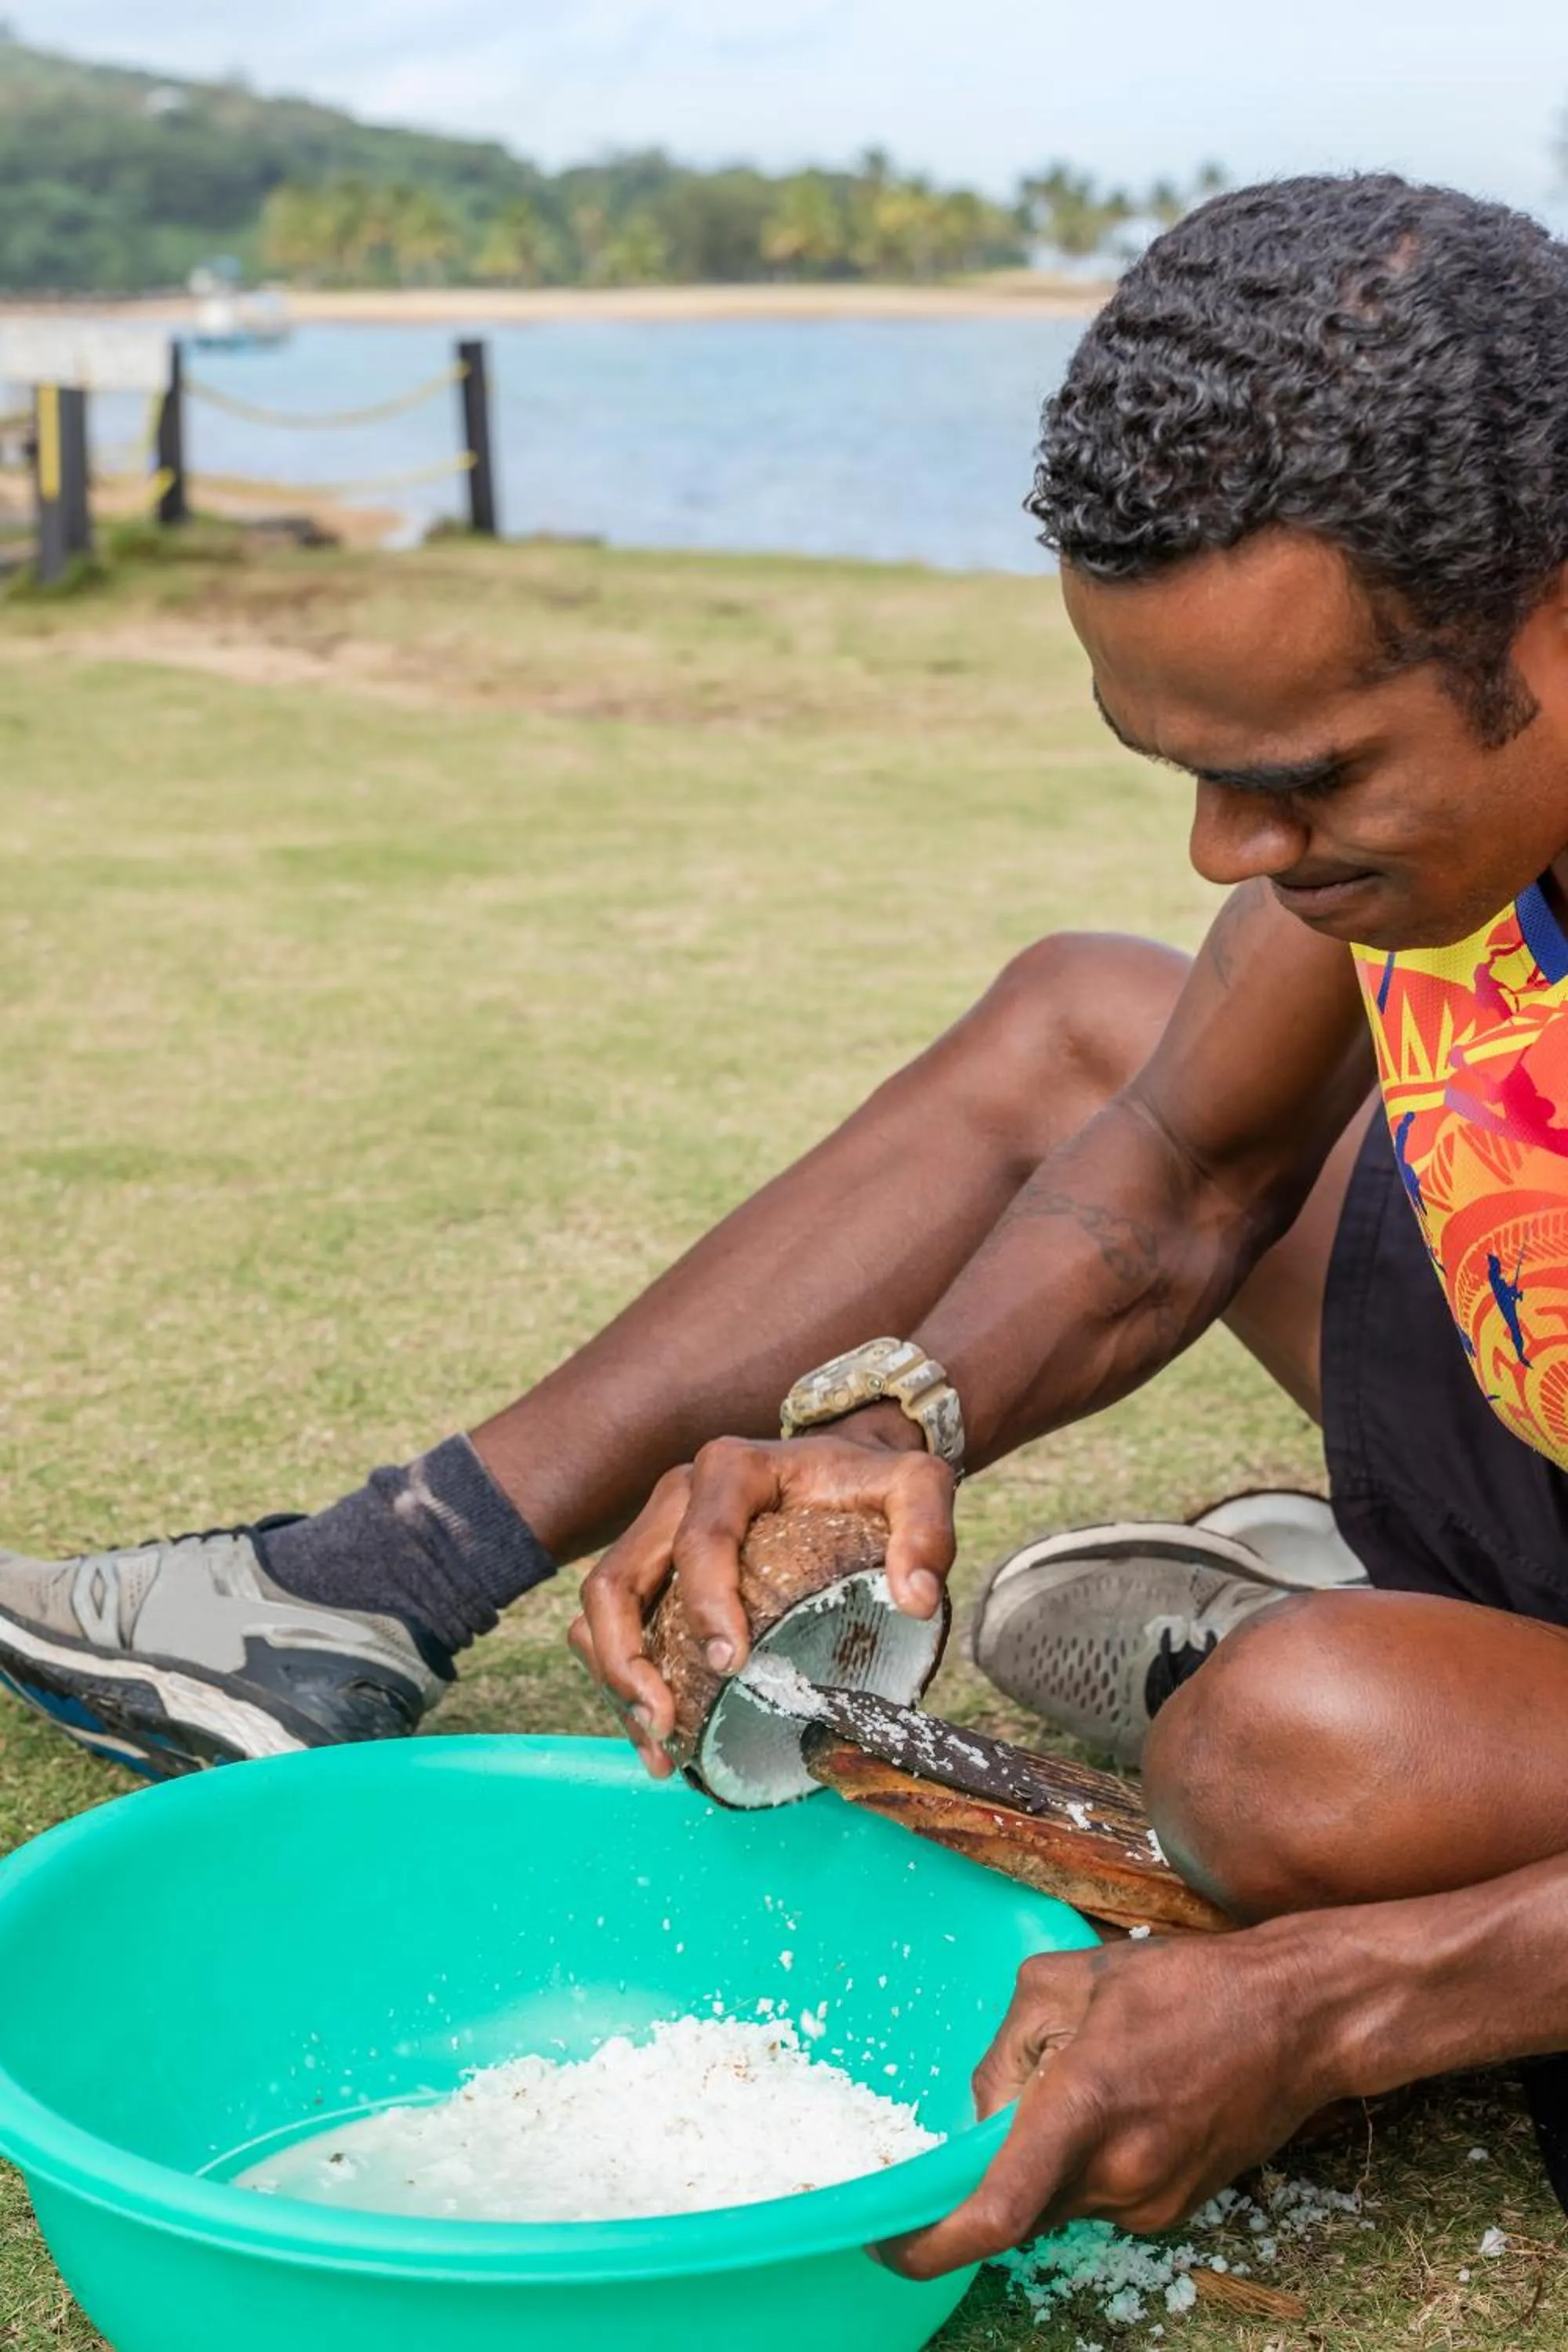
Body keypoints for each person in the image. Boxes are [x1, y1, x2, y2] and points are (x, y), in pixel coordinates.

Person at [7, 170, 1568, 2267]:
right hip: (1519, 1359)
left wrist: (1334, 1999)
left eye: (1304, 775)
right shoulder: (1410, 834)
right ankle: (369, 1585)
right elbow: (1187, 1172)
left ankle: (1376, 1649)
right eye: (1183, 769)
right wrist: (892, 1427)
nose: (1228, 847)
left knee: (1298, 1755)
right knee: (1085, 1016)